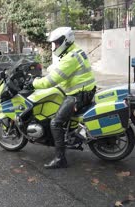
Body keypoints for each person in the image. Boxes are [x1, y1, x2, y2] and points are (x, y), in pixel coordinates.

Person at [30, 27, 96, 169]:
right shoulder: (75, 50)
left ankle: (60, 159)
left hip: (79, 95)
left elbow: (51, 81)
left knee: (55, 122)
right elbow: (60, 70)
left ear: (65, 41)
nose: (55, 46)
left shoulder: (70, 58)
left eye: (57, 43)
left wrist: (34, 82)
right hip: (86, 91)